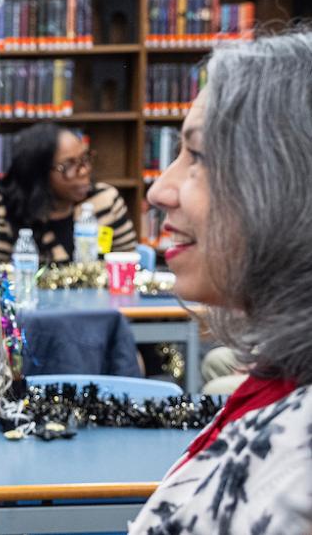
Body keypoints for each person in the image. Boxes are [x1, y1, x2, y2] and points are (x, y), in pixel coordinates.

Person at [129, 31, 312, 534]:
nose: (160, 189)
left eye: (198, 157)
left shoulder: (300, 467)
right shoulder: (278, 389)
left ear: (287, 182)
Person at [0, 122, 136, 264]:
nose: (84, 170)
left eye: (85, 159)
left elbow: (128, 264)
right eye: (69, 165)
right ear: (38, 174)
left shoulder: (105, 199)